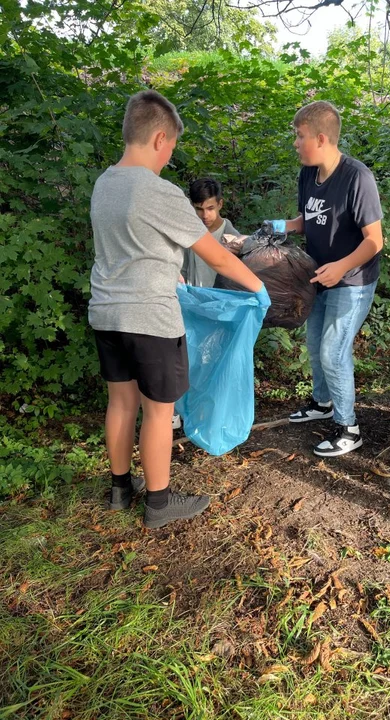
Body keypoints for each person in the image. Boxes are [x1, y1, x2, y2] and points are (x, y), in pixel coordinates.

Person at [89, 90, 268, 529]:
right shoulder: (159, 192)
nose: (170, 156)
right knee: (157, 410)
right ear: (159, 137)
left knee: (120, 402)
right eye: (171, 147)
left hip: (106, 312)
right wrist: (260, 288)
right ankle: (159, 503)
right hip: (150, 318)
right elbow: (219, 257)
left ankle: (119, 490)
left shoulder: (105, 183)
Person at [269, 101, 384, 457]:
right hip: (317, 276)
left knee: (334, 352)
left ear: (321, 138)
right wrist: (275, 228)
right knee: (315, 345)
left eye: (299, 136)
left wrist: (341, 267)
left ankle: (349, 428)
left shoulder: (356, 177)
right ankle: (323, 404)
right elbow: (305, 220)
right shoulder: (308, 173)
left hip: (353, 282)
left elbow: (374, 240)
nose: (295, 143)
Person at [181, 178, 241, 287]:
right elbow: (183, 270)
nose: (205, 215)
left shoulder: (233, 238)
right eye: (199, 209)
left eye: (210, 208)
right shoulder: (189, 233)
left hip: (222, 300)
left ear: (220, 204)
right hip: (193, 299)